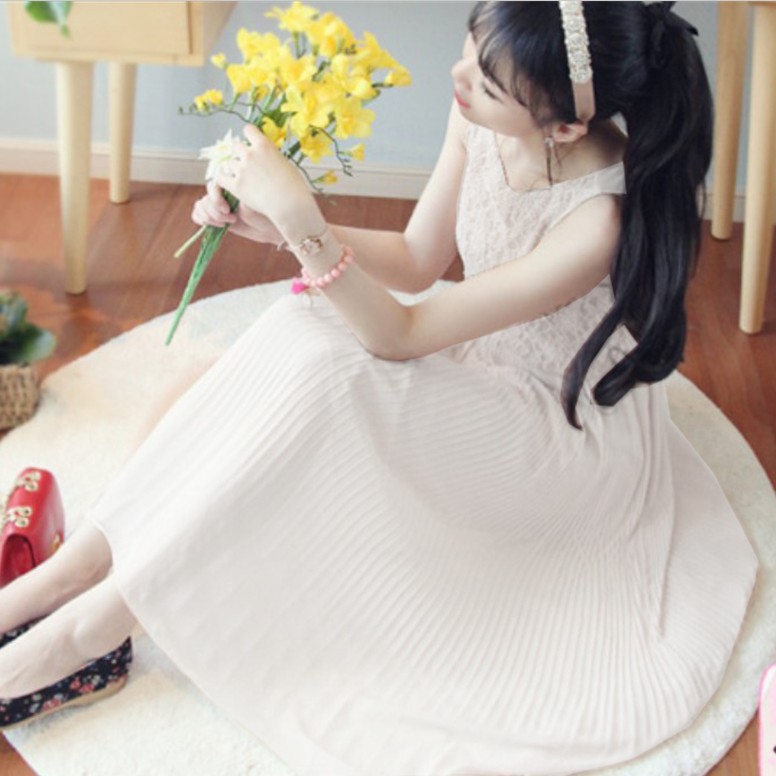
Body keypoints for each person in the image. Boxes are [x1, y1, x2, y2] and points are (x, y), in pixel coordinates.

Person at [0, 2, 758, 774]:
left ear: (562, 127)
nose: (459, 77)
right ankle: (73, 571)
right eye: (471, 50)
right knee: (303, 329)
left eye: (487, 82)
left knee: (333, 372)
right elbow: (420, 257)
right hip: (474, 357)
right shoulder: (481, 111)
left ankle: (87, 631)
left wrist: (304, 219)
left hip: (548, 439)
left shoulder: (599, 222)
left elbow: (399, 333)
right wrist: (278, 226)